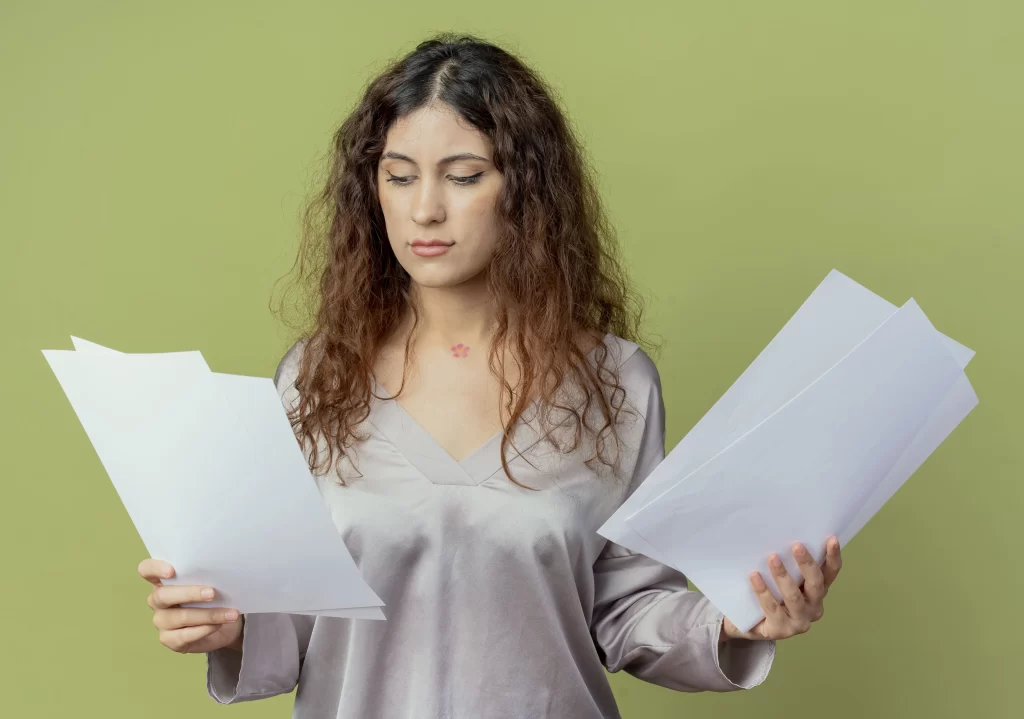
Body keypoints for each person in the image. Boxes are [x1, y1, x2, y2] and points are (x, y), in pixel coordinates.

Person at [137, 32, 843, 719]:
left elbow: (626, 607)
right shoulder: (316, 378)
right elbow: (293, 622)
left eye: (464, 175)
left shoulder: (615, 383)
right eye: (400, 175)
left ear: (525, 190)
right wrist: (224, 626)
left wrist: (737, 621)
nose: (425, 209)